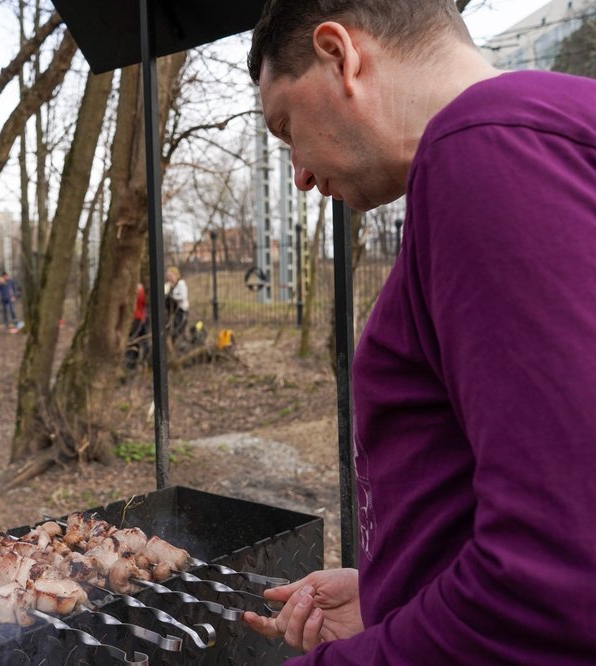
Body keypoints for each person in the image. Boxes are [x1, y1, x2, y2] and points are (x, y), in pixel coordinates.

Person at [243, 1, 596, 663]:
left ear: (340, 55)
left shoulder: (487, 151)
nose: (302, 173)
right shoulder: (539, 135)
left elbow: (557, 581)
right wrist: (392, 592)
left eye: (288, 128)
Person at [164, 266, 189, 341]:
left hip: (181, 311)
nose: (169, 278)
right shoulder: (170, 285)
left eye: (171, 276)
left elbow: (183, 297)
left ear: (176, 275)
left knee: (178, 330)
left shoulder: (181, 283)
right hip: (173, 312)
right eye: (168, 276)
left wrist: (172, 296)